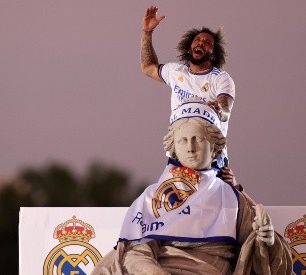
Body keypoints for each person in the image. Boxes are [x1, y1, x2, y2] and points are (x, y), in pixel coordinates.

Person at [91, 102, 292, 275]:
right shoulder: (153, 196)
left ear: (214, 147)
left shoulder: (232, 199)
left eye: (198, 139)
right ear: (174, 148)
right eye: (183, 140)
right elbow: (136, 253)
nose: (190, 147)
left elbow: (264, 258)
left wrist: (267, 240)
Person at [140, 5, 235, 170]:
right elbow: (148, 67)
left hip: (210, 158)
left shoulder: (220, 78)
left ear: (213, 53)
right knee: (160, 195)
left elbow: (225, 108)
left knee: (227, 194)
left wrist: (220, 109)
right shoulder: (176, 71)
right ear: (189, 47)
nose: (200, 43)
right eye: (197, 40)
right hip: (179, 156)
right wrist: (147, 33)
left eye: (207, 43)